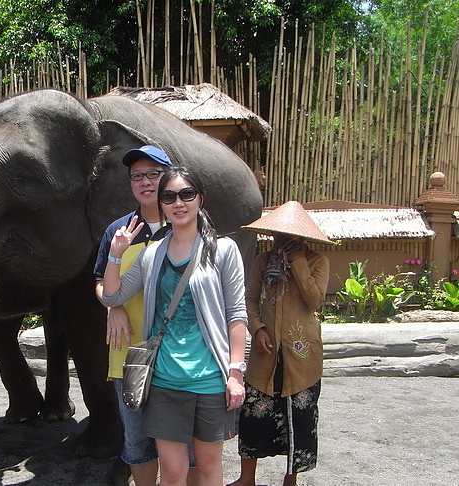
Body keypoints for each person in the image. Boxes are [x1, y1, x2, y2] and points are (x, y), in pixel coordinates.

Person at [101, 166, 247, 486]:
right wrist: (115, 255)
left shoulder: (223, 250)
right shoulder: (152, 253)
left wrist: (235, 373)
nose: (178, 203)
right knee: (172, 471)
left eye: (186, 194)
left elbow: (237, 315)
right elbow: (112, 294)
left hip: (210, 378)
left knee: (208, 467)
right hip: (164, 379)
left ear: (200, 199)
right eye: (169, 196)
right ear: (163, 204)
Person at [228, 200, 332, 486]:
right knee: (253, 415)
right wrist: (258, 328)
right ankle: (246, 479)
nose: (281, 239)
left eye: (289, 235)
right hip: (266, 353)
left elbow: (313, 301)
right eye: (277, 234)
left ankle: (291, 481)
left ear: (303, 236)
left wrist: (297, 261)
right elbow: (249, 300)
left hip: (303, 358)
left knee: (299, 420)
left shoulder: (317, 261)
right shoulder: (263, 261)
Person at [94, 145, 173, 486]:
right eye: (137, 176)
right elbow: (100, 281)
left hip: (179, 356)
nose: (145, 183)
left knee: (181, 441)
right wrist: (114, 306)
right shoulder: (119, 231)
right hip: (129, 356)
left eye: (153, 174)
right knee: (138, 443)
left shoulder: (185, 225)